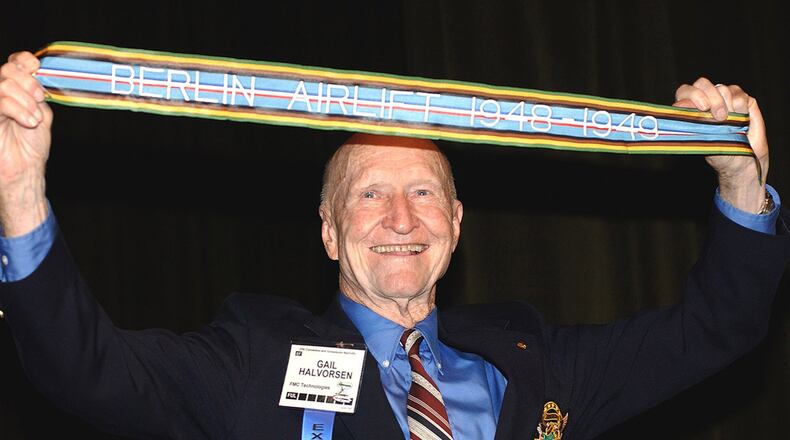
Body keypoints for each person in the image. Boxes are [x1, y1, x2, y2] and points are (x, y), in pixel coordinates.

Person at [0, 50, 787, 440]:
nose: (401, 218)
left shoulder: (535, 361)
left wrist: (740, 183)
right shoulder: (256, 355)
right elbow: (86, 370)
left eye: (423, 195)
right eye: (370, 194)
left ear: (456, 223)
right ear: (329, 231)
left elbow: (714, 332)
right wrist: (20, 193)